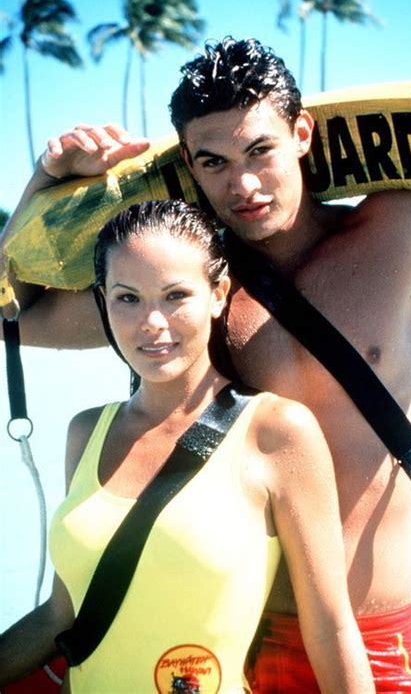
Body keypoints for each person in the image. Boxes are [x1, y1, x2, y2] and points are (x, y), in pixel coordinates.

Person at [0, 32, 411, 691]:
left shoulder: (400, 230)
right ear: (190, 167)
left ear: (302, 134)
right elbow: (14, 315)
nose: (243, 184)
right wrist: (44, 182)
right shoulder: (191, 289)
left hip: (369, 640)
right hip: (219, 641)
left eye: (260, 150)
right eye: (213, 162)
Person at [0, 199, 374, 693]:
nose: (152, 323)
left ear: (218, 294)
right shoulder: (87, 432)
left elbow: (330, 627)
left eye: (175, 295)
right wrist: (50, 174)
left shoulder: (275, 433)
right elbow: (60, 616)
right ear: (103, 300)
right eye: (127, 298)